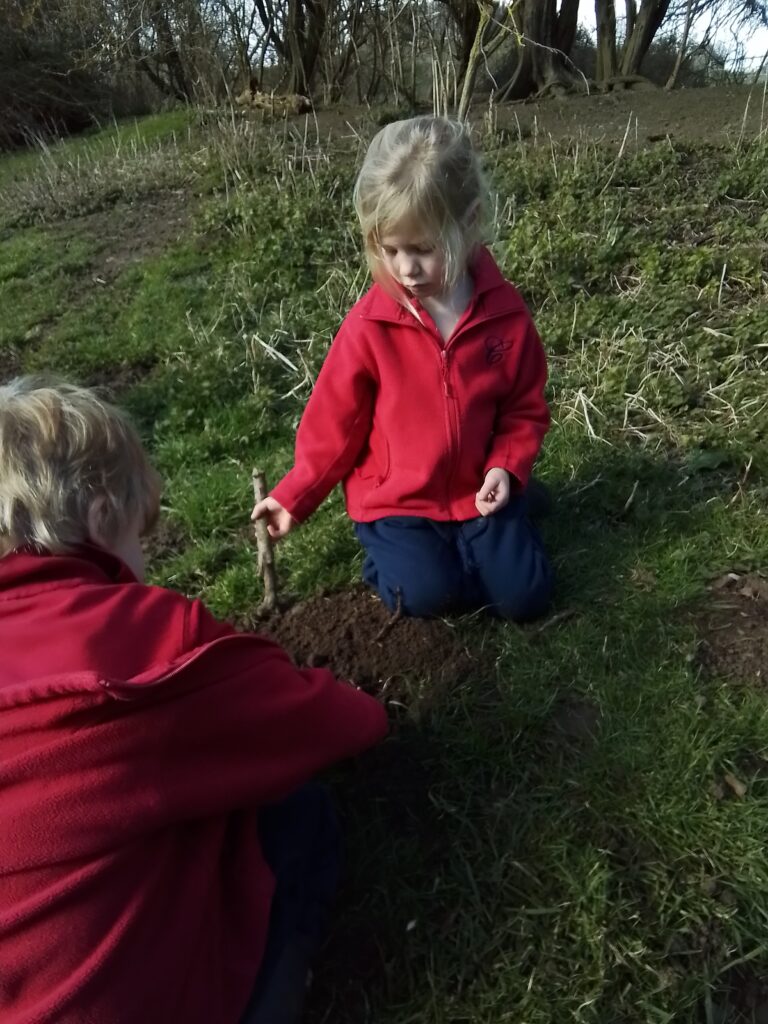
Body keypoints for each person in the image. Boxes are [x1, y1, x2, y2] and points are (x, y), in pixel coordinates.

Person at [0, 376, 388, 1024]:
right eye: (139, 534)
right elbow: (337, 721)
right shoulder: (149, 644)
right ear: (102, 518)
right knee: (298, 815)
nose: (143, 555)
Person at [252, 115, 552, 620]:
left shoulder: (504, 314)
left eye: (423, 249)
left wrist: (505, 462)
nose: (405, 268)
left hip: (476, 490)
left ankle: (504, 525)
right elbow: (334, 424)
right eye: (389, 250)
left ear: (470, 222)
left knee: (527, 598)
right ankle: (404, 559)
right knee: (426, 596)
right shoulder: (371, 325)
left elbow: (524, 407)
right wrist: (294, 495)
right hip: (398, 502)